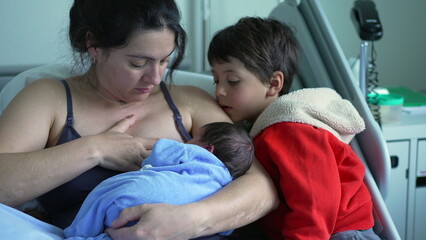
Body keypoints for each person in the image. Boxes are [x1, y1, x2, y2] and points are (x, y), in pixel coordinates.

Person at [0, 1, 277, 239]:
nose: (155, 78)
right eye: (138, 63)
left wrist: (190, 220)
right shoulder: (49, 99)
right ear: (93, 45)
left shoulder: (189, 102)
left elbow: (262, 187)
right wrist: (95, 150)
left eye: (164, 61)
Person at [208, 17, 380, 240]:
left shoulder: (291, 130)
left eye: (232, 81)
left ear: (273, 84)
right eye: (215, 80)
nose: (220, 91)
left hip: (336, 233)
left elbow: (316, 203)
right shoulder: (264, 129)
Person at [64, 122, 254, 239]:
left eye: (193, 138)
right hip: (166, 223)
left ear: (208, 149)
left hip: (131, 199)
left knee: (105, 193)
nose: (187, 142)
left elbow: (160, 153)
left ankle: (77, 232)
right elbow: (226, 227)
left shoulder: (196, 153)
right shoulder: (225, 186)